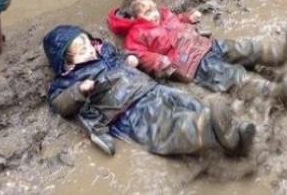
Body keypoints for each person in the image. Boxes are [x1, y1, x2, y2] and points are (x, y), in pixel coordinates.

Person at [43, 25, 256, 158]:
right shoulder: (68, 80)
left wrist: (128, 58)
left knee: (188, 103)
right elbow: (60, 103)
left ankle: (230, 136)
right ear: (66, 64)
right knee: (167, 127)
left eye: (88, 43)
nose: (90, 49)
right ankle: (210, 131)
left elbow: (121, 54)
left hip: (151, 88)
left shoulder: (104, 51)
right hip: (127, 110)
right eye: (82, 51)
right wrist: (79, 90)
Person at [107, 0, 287, 108]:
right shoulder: (137, 33)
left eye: (154, 8)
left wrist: (188, 17)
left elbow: (177, 19)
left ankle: (282, 53)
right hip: (192, 63)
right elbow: (140, 54)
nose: (155, 13)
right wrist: (157, 62)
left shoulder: (165, 15)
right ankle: (275, 93)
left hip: (205, 44)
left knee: (242, 48)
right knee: (230, 76)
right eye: (148, 12)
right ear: (134, 18)